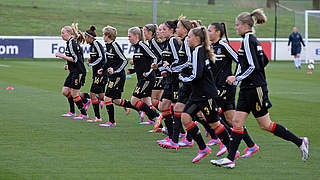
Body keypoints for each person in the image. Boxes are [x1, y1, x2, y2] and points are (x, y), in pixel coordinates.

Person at [211, 9, 309, 169]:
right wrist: (242, 78)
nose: (235, 28)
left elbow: (253, 65)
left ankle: (300, 141)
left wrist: (237, 77)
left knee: (265, 124)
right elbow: (264, 60)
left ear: (244, 25)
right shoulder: (250, 40)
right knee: (236, 122)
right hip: (247, 88)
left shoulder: (249, 40)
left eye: (237, 25)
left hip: (255, 89)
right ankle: (230, 159)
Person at [179, 26, 232, 163]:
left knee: (215, 124)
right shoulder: (199, 50)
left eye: (189, 37)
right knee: (185, 117)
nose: (187, 39)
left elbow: (196, 75)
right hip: (197, 94)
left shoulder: (198, 50)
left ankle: (232, 151)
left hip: (205, 94)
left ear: (197, 39)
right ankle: (203, 149)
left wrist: (183, 78)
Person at [208, 22, 259, 158]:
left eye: (210, 30)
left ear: (218, 32)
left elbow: (240, 60)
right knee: (231, 120)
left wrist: (235, 77)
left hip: (225, 87)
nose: (208, 33)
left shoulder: (224, 46)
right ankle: (251, 145)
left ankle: (227, 142)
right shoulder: (212, 47)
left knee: (212, 113)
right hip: (217, 87)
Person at [126, 26, 162, 128]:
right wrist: (132, 70)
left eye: (130, 36)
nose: (128, 38)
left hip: (147, 78)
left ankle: (157, 116)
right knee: (147, 102)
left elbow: (154, 57)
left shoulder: (142, 45)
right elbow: (142, 64)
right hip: (142, 78)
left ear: (136, 36)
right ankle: (159, 126)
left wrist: (149, 71)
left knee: (134, 101)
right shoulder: (136, 47)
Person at [55, 23, 88, 119]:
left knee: (74, 93)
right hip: (73, 71)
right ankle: (72, 111)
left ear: (69, 33)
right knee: (65, 91)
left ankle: (84, 114)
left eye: (63, 33)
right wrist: (67, 65)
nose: (61, 35)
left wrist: (61, 56)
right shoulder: (69, 43)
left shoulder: (72, 43)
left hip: (79, 71)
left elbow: (75, 59)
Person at [98, 25, 128, 127]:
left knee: (107, 98)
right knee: (116, 101)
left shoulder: (115, 46)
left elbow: (124, 60)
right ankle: (138, 108)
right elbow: (110, 61)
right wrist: (103, 68)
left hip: (118, 76)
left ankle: (112, 122)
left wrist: (115, 71)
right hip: (113, 76)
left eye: (103, 34)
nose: (103, 36)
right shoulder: (108, 46)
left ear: (108, 35)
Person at [84, 25, 107, 122]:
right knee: (102, 96)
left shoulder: (96, 43)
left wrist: (92, 63)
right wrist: (91, 60)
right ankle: (124, 105)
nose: (85, 39)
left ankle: (97, 117)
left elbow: (102, 57)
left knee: (92, 94)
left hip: (101, 73)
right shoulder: (91, 46)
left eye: (86, 37)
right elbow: (96, 57)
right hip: (96, 73)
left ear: (90, 37)